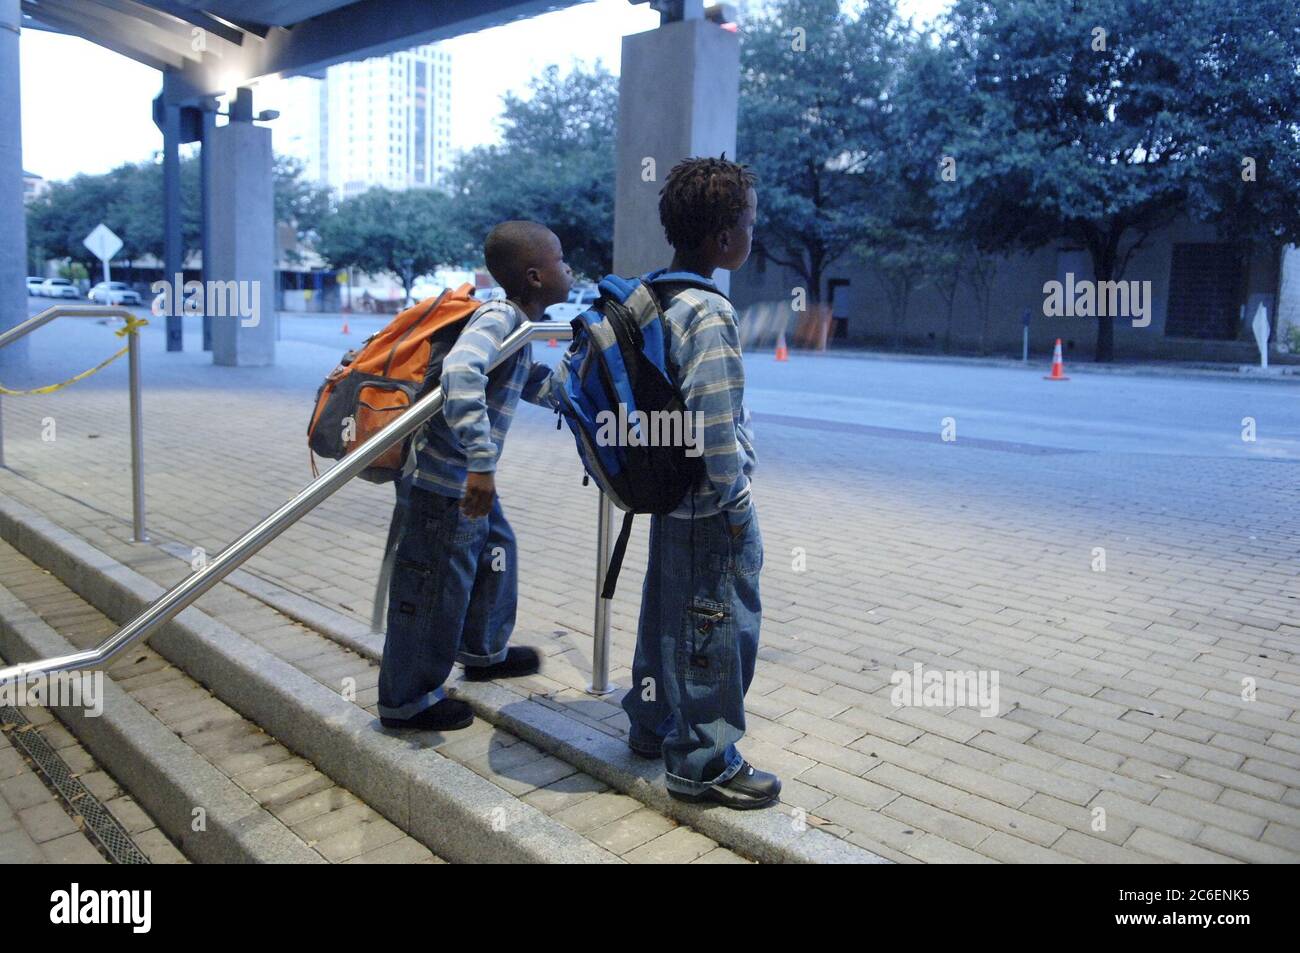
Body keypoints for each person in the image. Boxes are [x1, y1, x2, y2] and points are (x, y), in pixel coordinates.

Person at [623, 155, 778, 808]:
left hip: (667, 496)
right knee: (715, 624)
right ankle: (703, 760)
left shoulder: (650, 294)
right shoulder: (710, 311)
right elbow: (715, 423)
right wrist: (737, 504)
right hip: (709, 504)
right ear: (723, 238)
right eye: (748, 222)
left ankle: (651, 720)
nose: (753, 233)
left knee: (668, 611)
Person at [377, 220, 573, 732]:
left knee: (494, 548)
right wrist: (482, 462)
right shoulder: (501, 315)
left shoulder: (518, 325)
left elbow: (518, 375)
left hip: (460, 475)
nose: (569, 266)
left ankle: (483, 650)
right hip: (446, 482)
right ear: (534, 276)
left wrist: (573, 395)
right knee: (435, 582)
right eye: (560, 258)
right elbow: (463, 371)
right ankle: (408, 699)